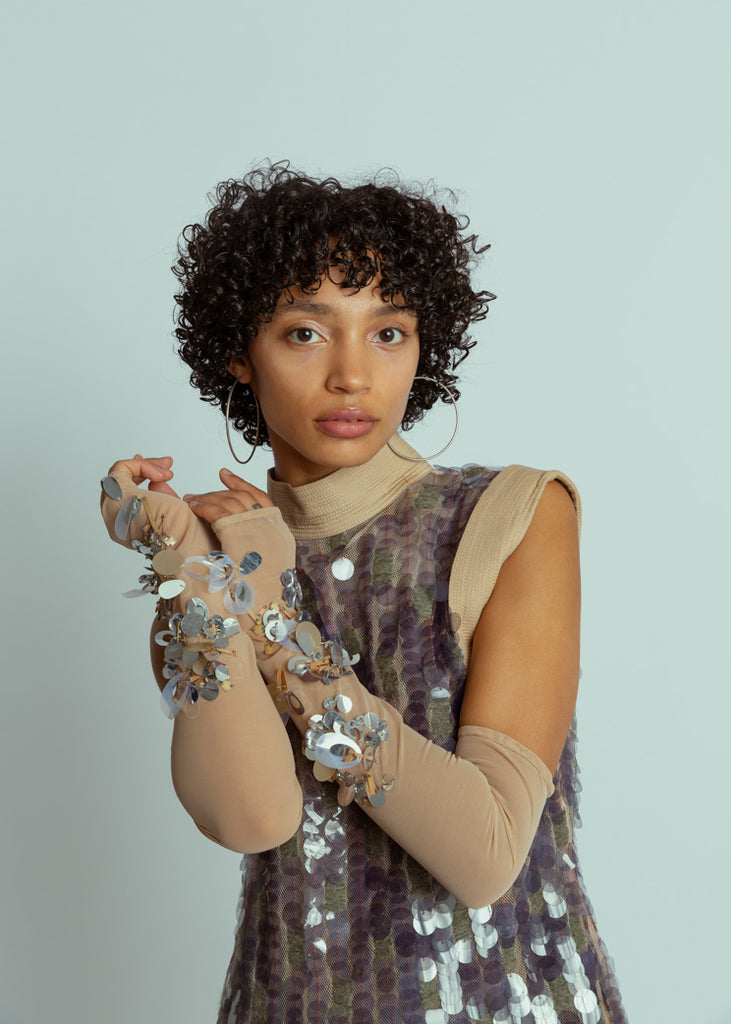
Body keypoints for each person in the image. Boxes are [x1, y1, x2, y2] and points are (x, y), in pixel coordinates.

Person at [100, 163, 627, 1024]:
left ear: (423, 347)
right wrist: (185, 563)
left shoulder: (512, 517)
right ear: (239, 352)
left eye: (387, 332)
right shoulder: (217, 558)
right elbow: (250, 818)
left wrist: (274, 616)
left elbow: (488, 853)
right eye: (306, 332)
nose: (352, 374)